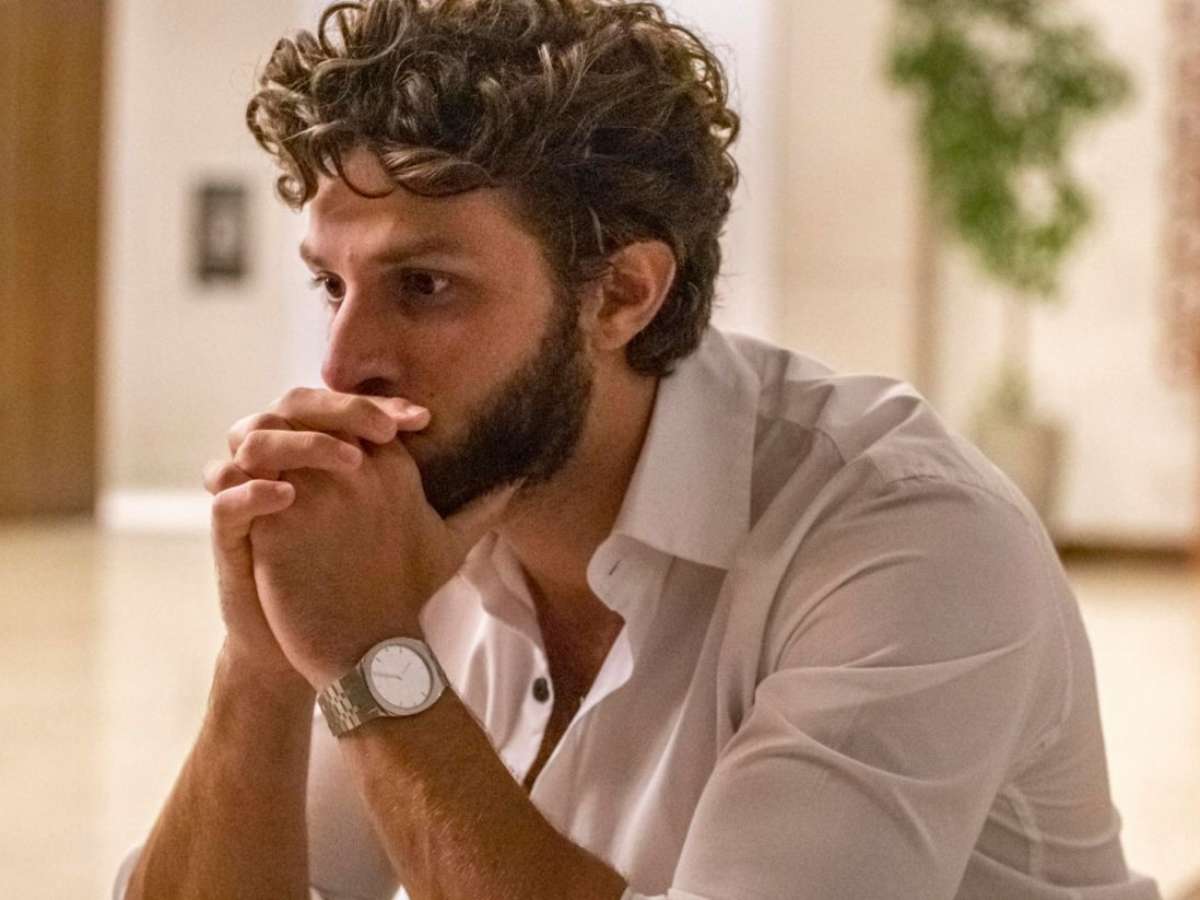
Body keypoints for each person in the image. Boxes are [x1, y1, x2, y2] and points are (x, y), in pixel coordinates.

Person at [114, 1, 1162, 898]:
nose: (344, 365)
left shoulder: (910, 537)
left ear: (622, 293)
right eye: (331, 285)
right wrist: (263, 660)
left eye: (424, 286)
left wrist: (369, 658)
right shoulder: (429, 515)